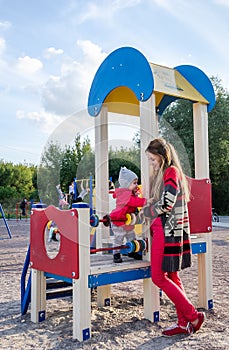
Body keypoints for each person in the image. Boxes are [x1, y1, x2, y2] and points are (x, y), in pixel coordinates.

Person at [142, 137, 205, 336]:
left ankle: (194, 316)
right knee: (172, 275)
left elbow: (167, 204)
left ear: (162, 156)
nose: (151, 163)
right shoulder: (164, 174)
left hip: (166, 231)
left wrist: (147, 211)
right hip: (165, 229)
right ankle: (183, 322)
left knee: (158, 277)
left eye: (152, 159)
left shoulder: (171, 172)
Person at [110, 166, 147, 263]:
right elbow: (133, 202)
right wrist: (145, 201)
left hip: (128, 221)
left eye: (136, 182)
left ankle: (132, 251)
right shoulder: (123, 194)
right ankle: (116, 254)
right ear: (126, 184)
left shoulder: (130, 192)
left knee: (131, 236)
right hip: (119, 221)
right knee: (119, 238)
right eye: (134, 183)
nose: (136, 185)